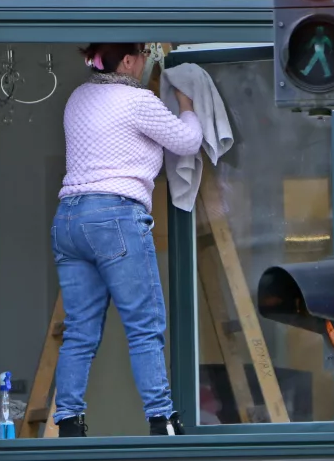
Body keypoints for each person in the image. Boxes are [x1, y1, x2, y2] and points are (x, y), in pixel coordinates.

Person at [51, 42, 202, 437]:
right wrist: (187, 105)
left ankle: (68, 422)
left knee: (79, 330)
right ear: (129, 61)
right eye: (143, 55)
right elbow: (188, 142)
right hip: (114, 214)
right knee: (144, 324)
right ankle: (162, 419)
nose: (146, 61)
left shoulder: (78, 97)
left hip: (68, 218)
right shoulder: (137, 100)